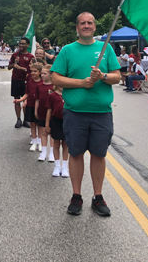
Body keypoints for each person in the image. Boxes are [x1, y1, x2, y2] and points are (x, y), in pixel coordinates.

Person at [51, 12, 120, 217]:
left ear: (95, 27)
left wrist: (103, 76)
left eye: (90, 22)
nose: (87, 25)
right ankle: (76, 195)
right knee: (76, 153)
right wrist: (81, 83)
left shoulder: (105, 49)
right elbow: (56, 78)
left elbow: (117, 77)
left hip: (101, 113)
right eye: (83, 23)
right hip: (75, 113)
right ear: (77, 28)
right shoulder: (67, 51)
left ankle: (98, 197)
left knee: (99, 155)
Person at [14, 63, 43, 152]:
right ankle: (34, 141)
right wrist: (20, 100)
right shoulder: (30, 82)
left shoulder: (43, 83)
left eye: (35, 71)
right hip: (30, 104)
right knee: (32, 123)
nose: (33, 73)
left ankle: (40, 141)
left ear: (40, 72)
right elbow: (27, 93)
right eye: (32, 71)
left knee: (39, 125)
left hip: (40, 106)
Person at [8, 37, 34, 128]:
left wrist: (21, 68)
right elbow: (9, 67)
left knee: (25, 100)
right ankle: (18, 119)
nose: (21, 45)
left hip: (26, 80)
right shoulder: (15, 55)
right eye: (20, 43)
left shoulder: (31, 57)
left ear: (27, 45)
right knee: (17, 99)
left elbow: (31, 70)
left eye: (23, 43)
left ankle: (26, 119)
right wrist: (14, 64)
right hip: (16, 79)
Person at [45, 85, 69, 177]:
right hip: (56, 121)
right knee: (56, 144)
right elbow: (49, 111)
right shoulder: (52, 96)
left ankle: (65, 167)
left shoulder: (70, 95)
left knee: (65, 145)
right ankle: (57, 166)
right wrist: (47, 125)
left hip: (67, 122)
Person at [35, 64, 54, 161]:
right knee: (43, 132)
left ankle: (52, 153)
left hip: (52, 112)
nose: (42, 75)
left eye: (44, 73)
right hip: (42, 111)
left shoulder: (54, 86)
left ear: (51, 75)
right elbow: (37, 99)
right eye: (41, 73)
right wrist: (36, 110)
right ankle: (43, 152)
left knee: (51, 133)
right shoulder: (39, 86)